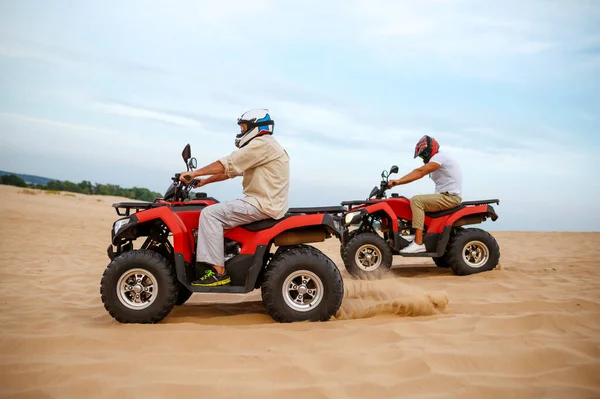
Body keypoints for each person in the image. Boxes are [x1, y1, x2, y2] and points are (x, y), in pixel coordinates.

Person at [179, 109, 290, 286]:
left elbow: (228, 163)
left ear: (255, 127)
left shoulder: (262, 144)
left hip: (261, 204)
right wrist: (204, 181)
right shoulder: (266, 146)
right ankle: (227, 250)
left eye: (243, 127)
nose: (241, 132)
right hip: (266, 203)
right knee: (217, 210)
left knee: (210, 214)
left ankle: (218, 272)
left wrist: (195, 173)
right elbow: (231, 171)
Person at [387, 135, 462, 254]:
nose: (423, 157)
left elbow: (420, 172)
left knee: (417, 201)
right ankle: (412, 234)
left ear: (431, 149)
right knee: (408, 201)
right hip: (444, 196)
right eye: (421, 156)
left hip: (450, 197)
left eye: (424, 154)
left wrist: (398, 181)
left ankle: (418, 243)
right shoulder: (437, 159)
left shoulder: (440, 157)